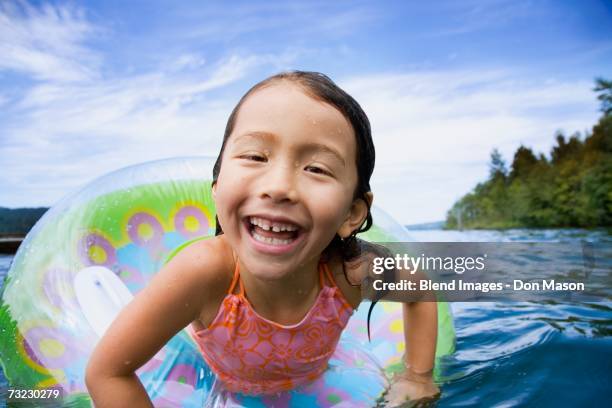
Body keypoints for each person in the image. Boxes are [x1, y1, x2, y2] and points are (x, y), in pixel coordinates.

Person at [85, 71, 439, 406]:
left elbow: (421, 289)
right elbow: (107, 373)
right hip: (209, 375)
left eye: (316, 168)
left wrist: (418, 376)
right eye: (255, 156)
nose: (279, 187)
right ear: (218, 186)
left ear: (352, 214)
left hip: (318, 379)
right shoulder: (202, 273)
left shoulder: (352, 272)